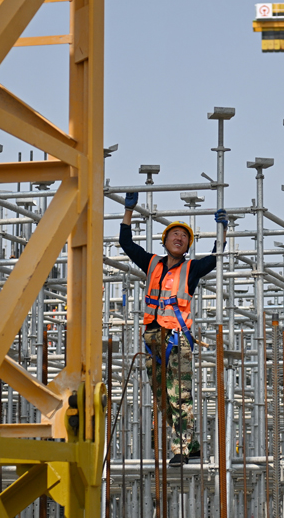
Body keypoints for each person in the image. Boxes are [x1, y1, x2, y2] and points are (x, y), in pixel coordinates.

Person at [120, 191, 227, 467]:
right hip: (152, 339)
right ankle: (191, 445)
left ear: (188, 245)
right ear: (165, 241)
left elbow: (215, 258)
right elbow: (126, 243)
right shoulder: (153, 263)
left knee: (180, 395)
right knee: (161, 396)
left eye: (184, 236)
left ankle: (179, 449)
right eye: (174, 235)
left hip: (176, 340)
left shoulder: (191, 269)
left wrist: (222, 231)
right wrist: (128, 212)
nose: (179, 238)